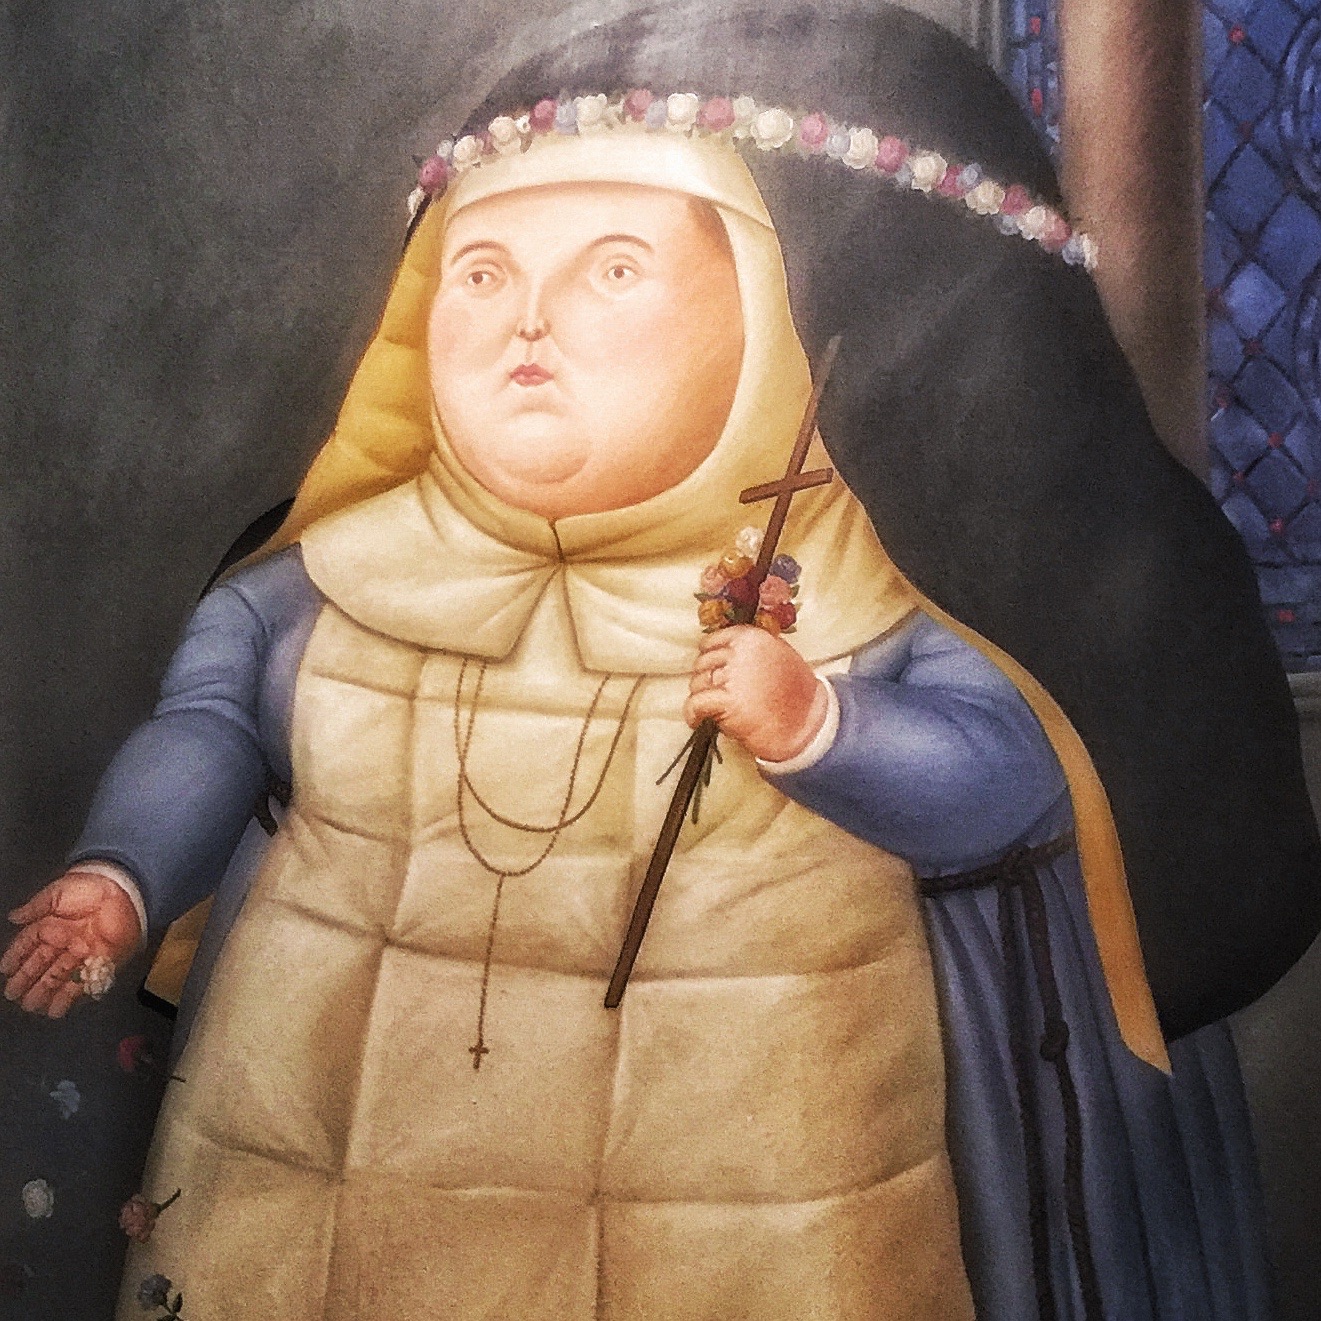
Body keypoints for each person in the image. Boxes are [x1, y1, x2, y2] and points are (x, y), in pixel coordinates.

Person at [3, 5, 1315, 1318]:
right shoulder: (325, 579)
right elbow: (208, 727)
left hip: (747, 1206)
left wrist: (822, 730)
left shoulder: (850, 584)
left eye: (614, 271)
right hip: (343, 1179)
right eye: (480, 275)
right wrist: (125, 868)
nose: (527, 324)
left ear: (767, 320)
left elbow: (1015, 783)